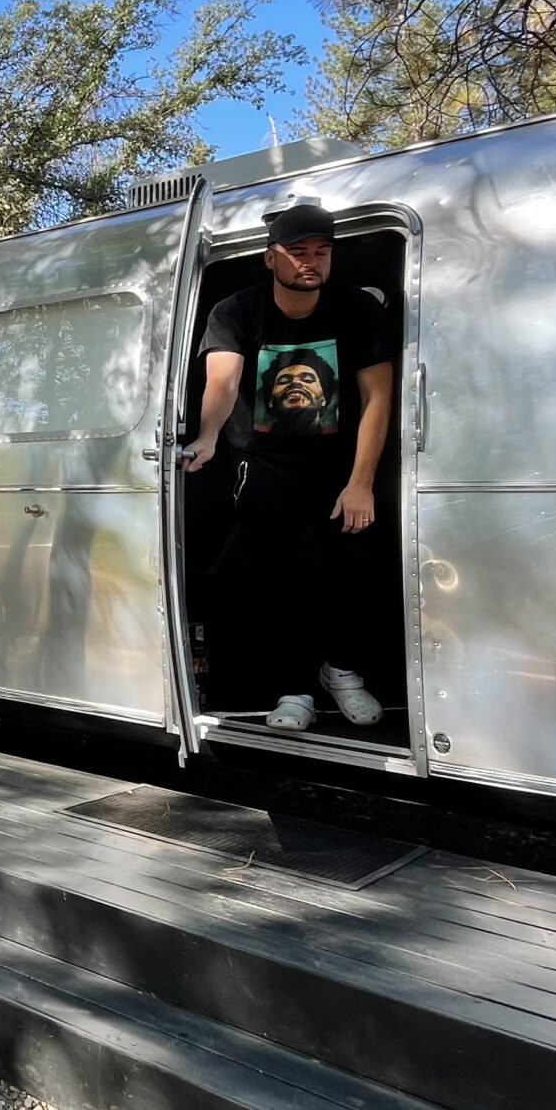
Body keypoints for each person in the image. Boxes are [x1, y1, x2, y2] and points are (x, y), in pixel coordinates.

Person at [182, 203, 398, 731]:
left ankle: (341, 672)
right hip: (263, 465)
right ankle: (294, 690)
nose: (311, 262)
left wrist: (361, 482)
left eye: (321, 252)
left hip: (341, 466)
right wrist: (207, 436)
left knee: (353, 573)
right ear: (269, 258)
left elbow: (377, 399)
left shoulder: (358, 310)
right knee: (276, 580)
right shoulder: (235, 312)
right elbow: (224, 382)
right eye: (297, 252)